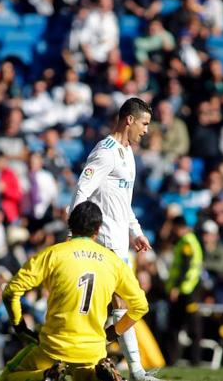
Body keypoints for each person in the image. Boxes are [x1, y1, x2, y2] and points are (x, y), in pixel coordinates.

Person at [0, 201, 148, 381]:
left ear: (69, 224)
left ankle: (47, 376)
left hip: (53, 347)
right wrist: (111, 333)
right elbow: (140, 307)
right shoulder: (114, 262)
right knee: (87, 374)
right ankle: (99, 376)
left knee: (8, 377)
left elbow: (11, 291)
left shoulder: (53, 254)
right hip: (93, 351)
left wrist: (20, 326)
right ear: (98, 230)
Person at [70, 97, 157, 381]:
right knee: (124, 305)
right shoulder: (105, 152)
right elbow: (81, 192)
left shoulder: (127, 152)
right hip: (104, 242)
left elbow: (123, 201)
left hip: (121, 241)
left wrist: (137, 231)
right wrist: (76, 235)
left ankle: (89, 359)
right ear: (129, 120)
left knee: (112, 309)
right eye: (144, 123)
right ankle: (136, 372)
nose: (146, 130)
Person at [164, 215, 203, 366]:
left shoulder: (186, 242)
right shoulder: (190, 241)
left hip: (187, 291)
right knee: (180, 327)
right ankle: (177, 360)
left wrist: (175, 287)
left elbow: (185, 267)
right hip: (188, 291)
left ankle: (191, 360)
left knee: (187, 328)